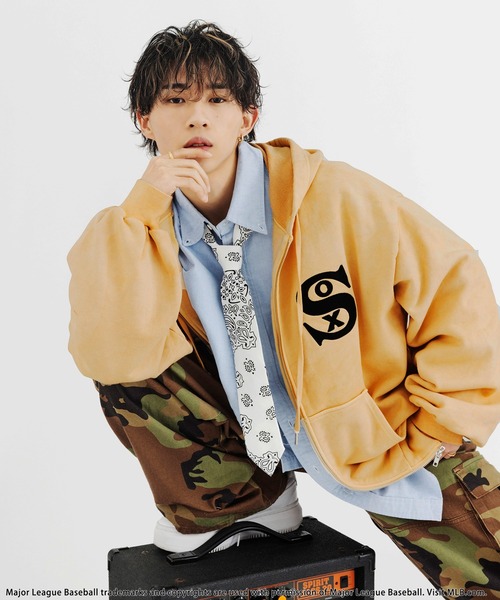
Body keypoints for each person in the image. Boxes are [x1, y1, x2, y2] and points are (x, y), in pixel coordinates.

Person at [67, 20, 500, 597]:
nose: (198, 118)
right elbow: (107, 349)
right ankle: (242, 504)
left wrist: (451, 413)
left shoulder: (332, 194)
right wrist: (144, 203)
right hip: (245, 444)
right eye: (175, 100)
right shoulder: (144, 230)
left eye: (218, 100)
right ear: (144, 120)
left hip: (377, 428)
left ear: (248, 117)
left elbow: (453, 276)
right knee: (126, 332)